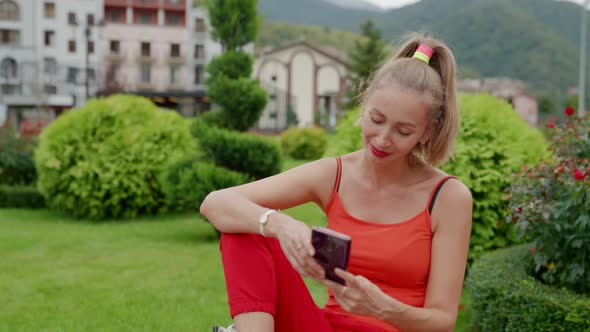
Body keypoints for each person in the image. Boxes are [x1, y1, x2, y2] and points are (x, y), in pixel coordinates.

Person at [200, 33, 473, 332]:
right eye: (377, 119)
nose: (382, 139)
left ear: (427, 131)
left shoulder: (448, 197)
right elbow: (216, 203)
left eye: (403, 131)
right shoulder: (335, 175)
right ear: (365, 101)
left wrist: (383, 308)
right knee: (247, 226)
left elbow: (442, 322)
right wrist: (280, 225)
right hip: (325, 326)